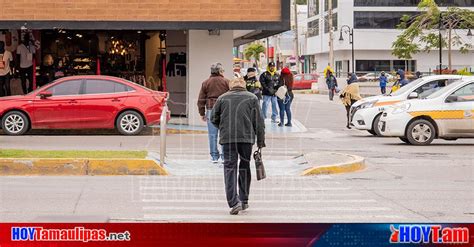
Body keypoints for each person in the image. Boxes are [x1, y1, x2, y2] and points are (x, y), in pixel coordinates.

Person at [210, 77, 265, 215]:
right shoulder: (252, 98)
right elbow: (259, 122)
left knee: (229, 168)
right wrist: (260, 142)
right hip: (246, 139)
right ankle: (244, 199)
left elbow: (213, 119)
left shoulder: (222, 98)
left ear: (231, 86)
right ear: (244, 86)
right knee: (245, 166)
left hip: (228, 139)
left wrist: (223, 127)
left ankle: (234, 202)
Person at [197, 62, 230, 164]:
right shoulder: (227, 82)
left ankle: (214, 157)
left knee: (212, 134)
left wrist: (202, 113)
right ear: (220, 71)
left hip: (211, 110)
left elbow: (201, 99)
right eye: (222, 70)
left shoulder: (206, 82)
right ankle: (224, 156)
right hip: (224, 109)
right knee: (224, 134)